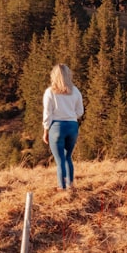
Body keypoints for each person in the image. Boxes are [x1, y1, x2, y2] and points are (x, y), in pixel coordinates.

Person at [42, 63, 84, 191]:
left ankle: (62, 186)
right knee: (68, 157)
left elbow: (47, 114)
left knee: (59, 159)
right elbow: (80, 111)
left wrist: (46, 131)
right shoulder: (75, 91)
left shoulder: (50, 92)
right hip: (72, 126)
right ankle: (70, 184)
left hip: (57, 127)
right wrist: (71, 116)